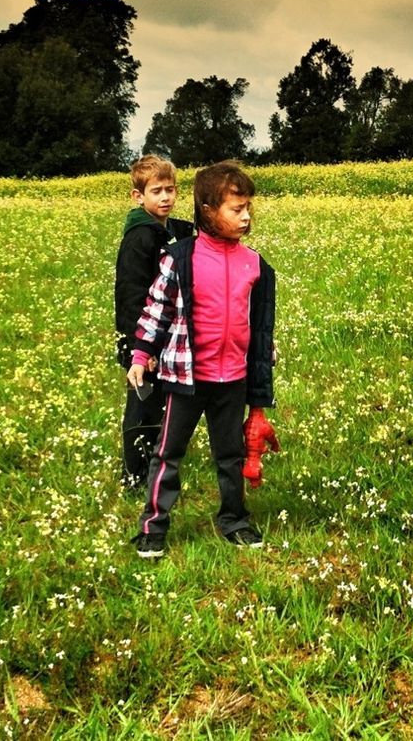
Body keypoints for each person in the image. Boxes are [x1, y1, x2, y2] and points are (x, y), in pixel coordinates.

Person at [126, 160, 277, 559]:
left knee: (231, 455)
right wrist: (142, 355)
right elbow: (156, 310)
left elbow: (258, 323)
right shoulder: (180, 258)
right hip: (186, 377)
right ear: (208, 210)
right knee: (168, 454)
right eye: (236, 209)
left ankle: (235, 520)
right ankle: (152, 527)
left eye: (248, 209)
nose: (246, 217)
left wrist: (264, 351)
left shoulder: (255, 264)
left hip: (233, 379)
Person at [114, 155, 194, 491]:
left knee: (158, 403)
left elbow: (188, 233)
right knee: (143, 404)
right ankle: (134, 474)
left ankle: (152, 463)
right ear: (138, 197)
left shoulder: (165, 228)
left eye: (170, 190)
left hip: (160, 333)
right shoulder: (140, 237)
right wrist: (138, 347)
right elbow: (131, 293)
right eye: (157, 191)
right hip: (141, 337)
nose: (165, 197)